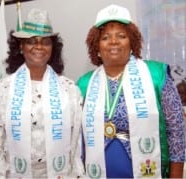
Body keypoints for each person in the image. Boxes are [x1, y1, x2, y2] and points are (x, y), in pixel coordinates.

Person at [77, 4, 185, 178]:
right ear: (96, 47)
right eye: (105, 37)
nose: (113, 42)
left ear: (132, 42)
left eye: (121, 36)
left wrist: (177, 175)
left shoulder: (156, 75)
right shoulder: (84, 83)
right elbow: (76, 138)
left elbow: (176, 130)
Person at [0, 8, 85, 178]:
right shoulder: (2, 90)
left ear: (52, 48)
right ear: (21, 46)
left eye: (45, 41)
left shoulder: (70, 90)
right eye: (32, 41)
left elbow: (76, 144)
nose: (39, 46)